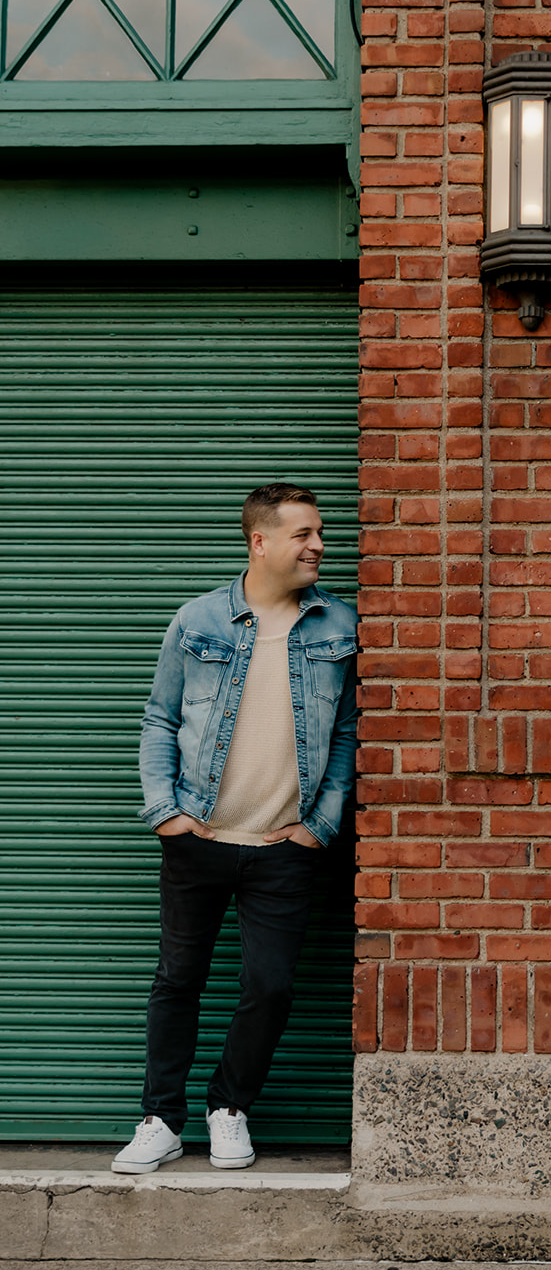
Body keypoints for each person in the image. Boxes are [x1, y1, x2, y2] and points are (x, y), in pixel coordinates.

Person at [112, 483, 358, 1174]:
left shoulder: (339, 626)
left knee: (271, 986)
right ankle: (160, 1118)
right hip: (199, 840)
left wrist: (321, 825)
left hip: (285, 846)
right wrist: (167, 815)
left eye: (318, 533)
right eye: (304, 533)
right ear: (260, 541)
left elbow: (345, 734)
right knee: (177, 981)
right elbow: (159, 719)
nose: (318, 546)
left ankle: (230, 1107)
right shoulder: (198, 621)